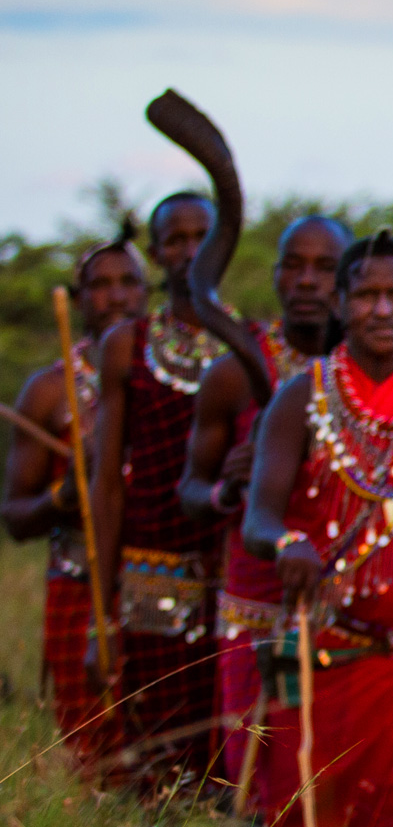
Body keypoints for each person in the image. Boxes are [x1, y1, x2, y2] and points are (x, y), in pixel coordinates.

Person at [242, 231, 393, 827]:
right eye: (367, 295)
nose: (383, 309)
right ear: (342, 303)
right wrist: (288, 542)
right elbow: (257, 517)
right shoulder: (302, 397)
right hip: (321, 660)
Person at [180, 215, 349, 810]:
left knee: (338, 767)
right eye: (294, 265)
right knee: (262, 770)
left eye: (325, 268)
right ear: (275, 275)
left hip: (350, 614)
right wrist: (229, 490)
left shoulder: (380, 374)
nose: (307, 281)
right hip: (258, 611)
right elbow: (191, 489)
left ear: (349, 281)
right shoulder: (233, 374)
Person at [87, 192, 235, 792]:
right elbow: (106, 481)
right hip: (151, 577)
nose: (190, 249)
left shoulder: (251, 341)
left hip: (231, 580)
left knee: (236, 752)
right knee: (158, 760)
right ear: (156, 253)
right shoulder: (127, 345)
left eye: (203, 234)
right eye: (174, 239)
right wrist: (101, 615)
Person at [3, 228, 149, 765]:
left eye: (128, 282)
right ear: (79, 297)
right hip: (79, 584)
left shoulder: (179, 378)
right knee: (91, 754)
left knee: (169, 754)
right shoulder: (50, 390)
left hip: (161, 585)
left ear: (147, 292)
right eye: (100, 284)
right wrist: (66, 496)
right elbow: (16, 517)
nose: (115, 296)